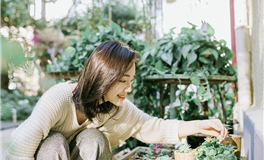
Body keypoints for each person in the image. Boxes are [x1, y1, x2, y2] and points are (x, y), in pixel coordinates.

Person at [3, 41, 227, 160]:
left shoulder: (115, 108)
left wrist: (199, 126)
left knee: (94, 138)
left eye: (131, 80)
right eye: (123, 80)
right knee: (54, 143)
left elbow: (151, 126)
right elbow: (21, 149)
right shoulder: (59, 98)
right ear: (104, 77)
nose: (129, 88)